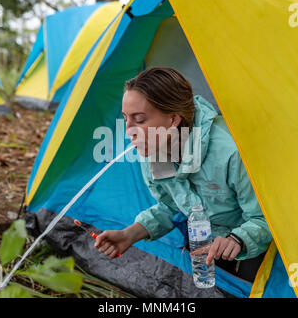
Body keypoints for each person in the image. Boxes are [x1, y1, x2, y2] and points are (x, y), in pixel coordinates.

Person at [94, 67, 272, 283]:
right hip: (203, 234)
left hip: (254, 239)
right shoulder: (151, 150)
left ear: (173, 120)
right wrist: (129, 234)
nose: (128, 129)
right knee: (204, 284)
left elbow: (263, 218)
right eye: (125, 118)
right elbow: (171, 206)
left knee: (250, 284)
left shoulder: (230, 152)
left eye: (139, 119)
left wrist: (237, 239)